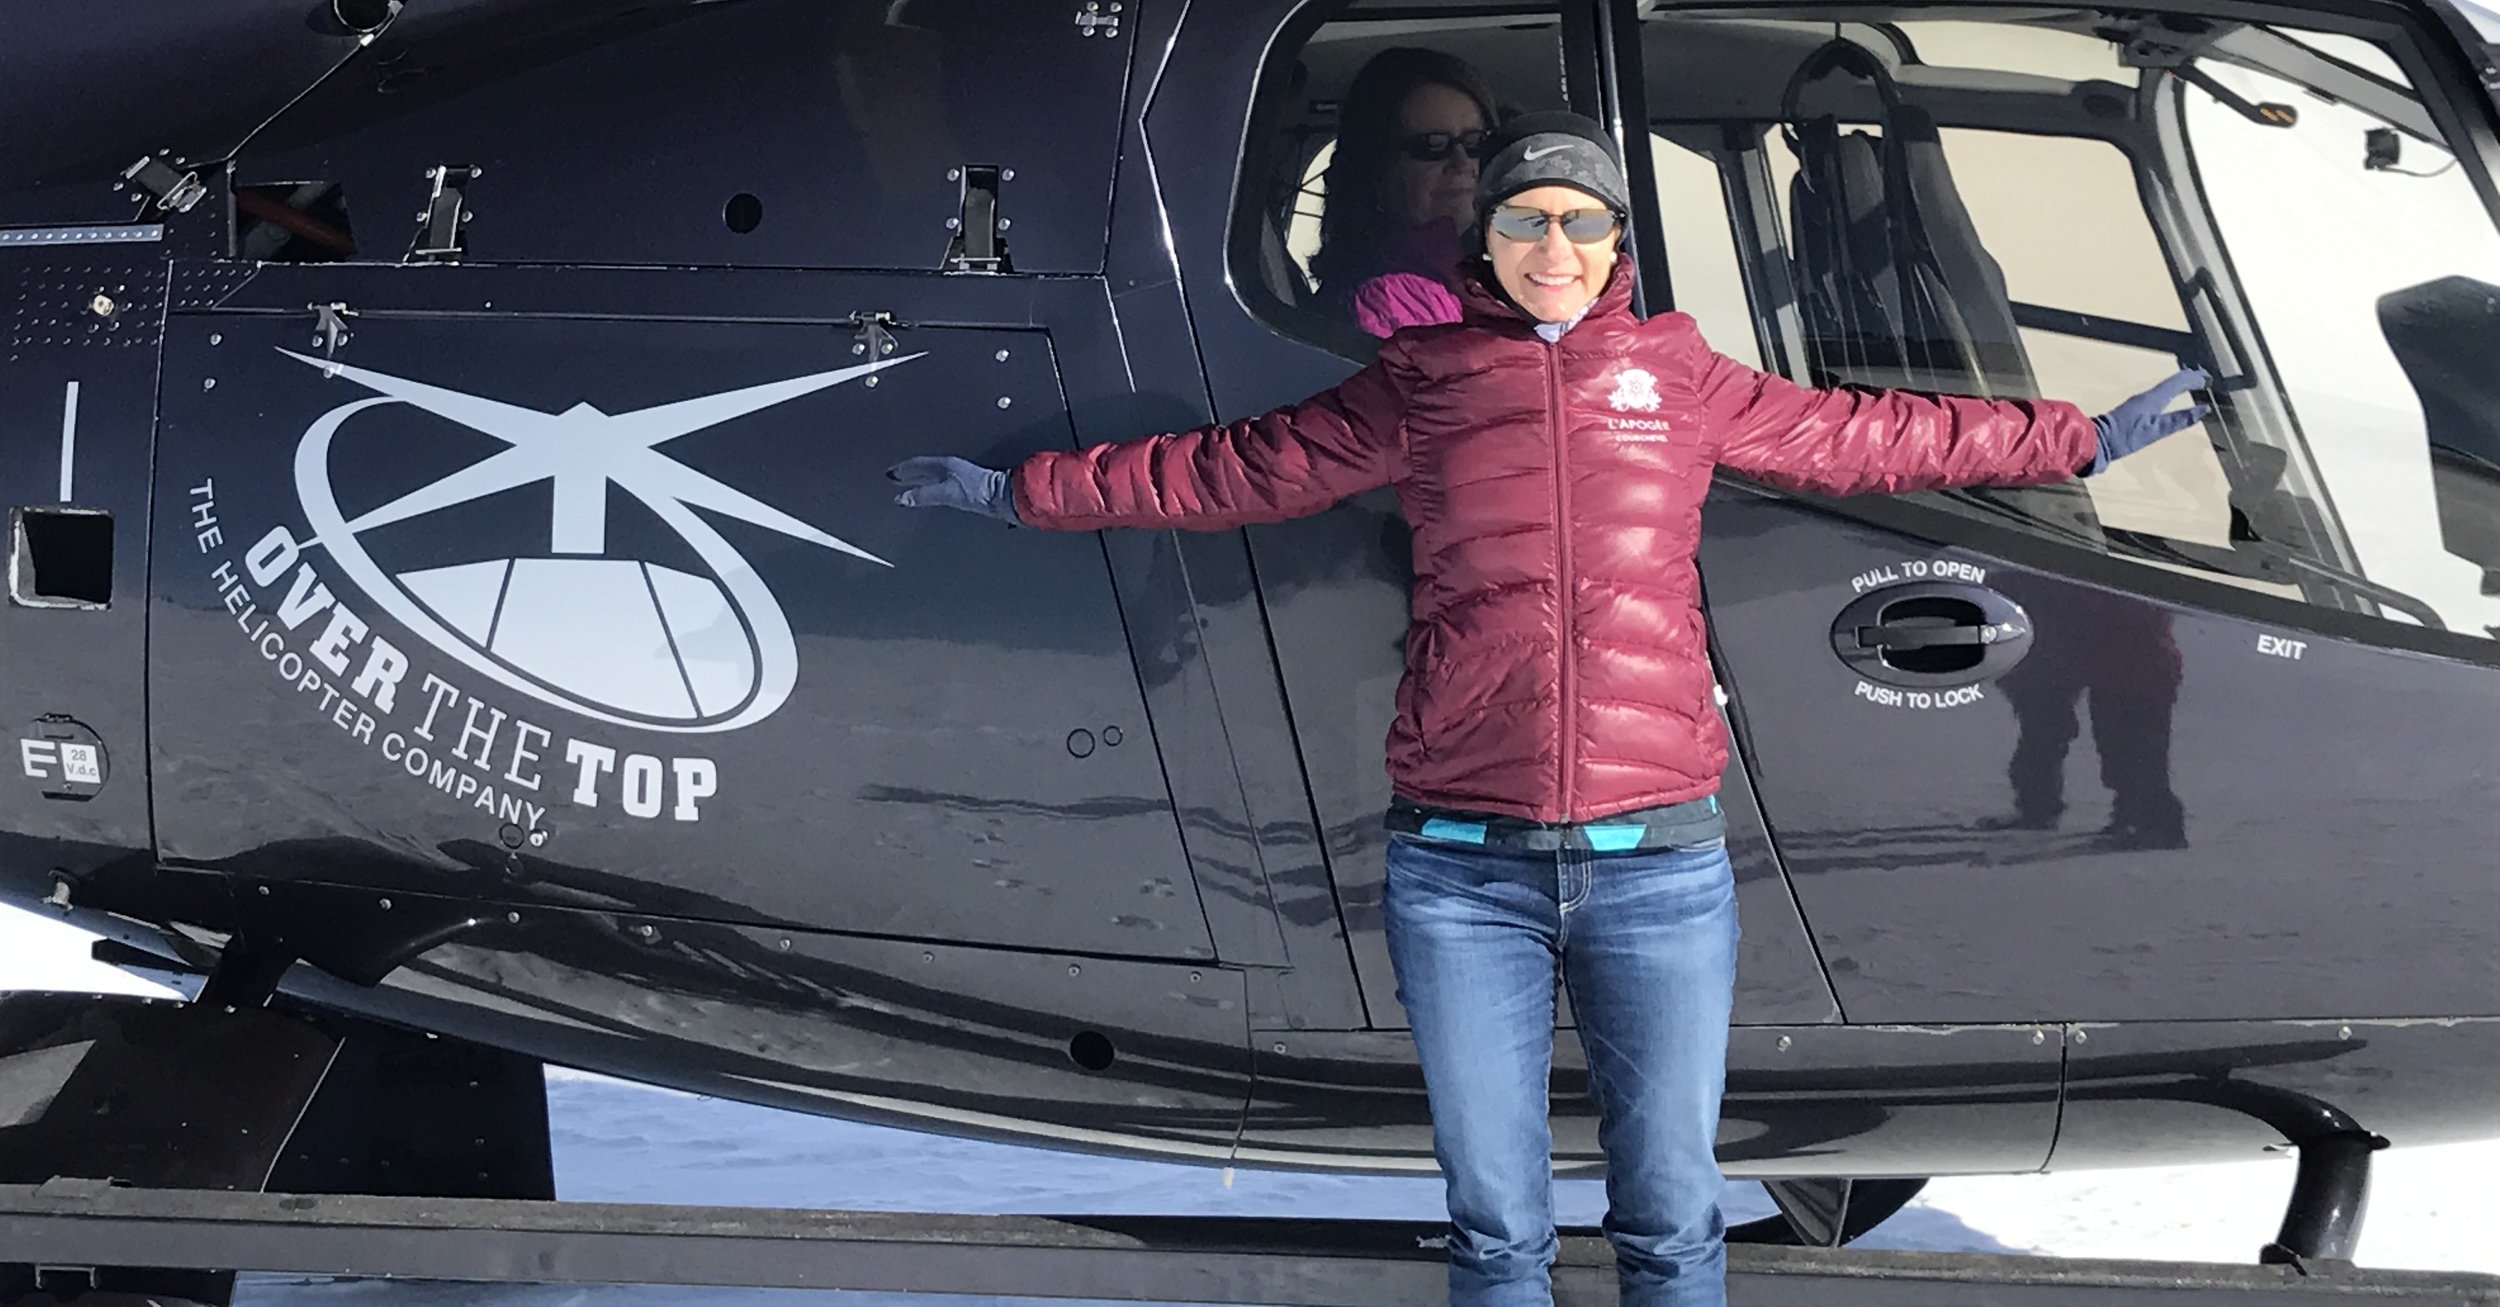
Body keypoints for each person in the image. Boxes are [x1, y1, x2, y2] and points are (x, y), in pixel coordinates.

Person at [888, 112, 2206, 1307]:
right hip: (1463, 871)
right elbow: (1231, 470)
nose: (1553, 243)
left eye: (1581, 219)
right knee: (1497, 1227)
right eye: (1525, 217)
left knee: (1677, 1218)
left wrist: (2075, 439)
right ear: (1491, 237)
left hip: (1661, 866)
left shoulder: (1680, 374)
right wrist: (1022, 493)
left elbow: (1871, 433)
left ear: (1617, 241)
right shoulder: (1424, 380)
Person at [1308, 46, 1499, 338]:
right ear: (1377, 169)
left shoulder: (1476, 270)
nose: (1462, 164)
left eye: (1476, 143)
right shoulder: (1388, 298)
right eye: (1432, 145)